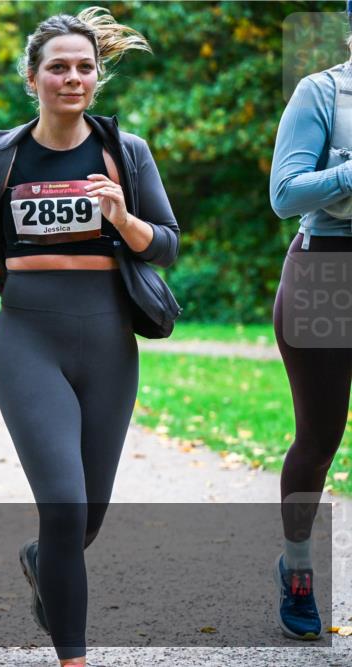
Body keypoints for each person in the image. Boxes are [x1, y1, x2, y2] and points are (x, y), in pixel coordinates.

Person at [0, 8, 178, 666]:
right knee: (65, 504)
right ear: (32, 77)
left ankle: (44, 561)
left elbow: (167, 245)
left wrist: (123, 217)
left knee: (84, 518)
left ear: (97, 77)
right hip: (28, 342)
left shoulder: (125, 152)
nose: (72, 78)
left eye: (84, 67)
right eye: (58, 67)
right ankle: (74, 656)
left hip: (108, 343)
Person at [267, 3, 352, 641]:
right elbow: (284, 193)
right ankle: (297, 568)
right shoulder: (321, 91)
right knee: (319, 440)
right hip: (328, 269)